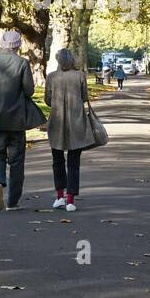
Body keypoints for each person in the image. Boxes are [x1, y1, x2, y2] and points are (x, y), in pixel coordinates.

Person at [0, 29, 44, 211]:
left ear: (2, 43)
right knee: (16, 162)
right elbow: (29, 91)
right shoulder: (23, 63)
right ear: (18, 45)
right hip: (17, 119)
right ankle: (13, 202)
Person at [44, 48, 92, 212]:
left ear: (58, 60)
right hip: (76, 122)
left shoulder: (51, 77)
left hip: (56, 122)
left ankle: (59, 197)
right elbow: (85, 97)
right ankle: (71, 200)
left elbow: (47, 100)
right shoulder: (79, 75)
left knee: (57, 161)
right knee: (74, 162)